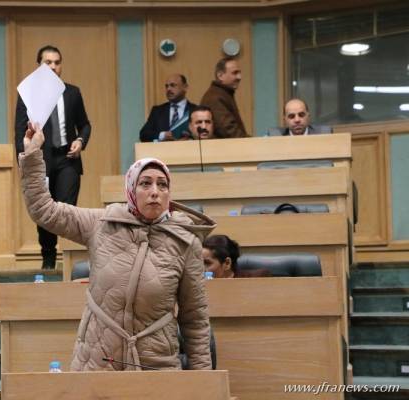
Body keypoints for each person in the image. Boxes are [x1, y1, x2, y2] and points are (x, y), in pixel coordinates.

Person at [19, 121, 215, 371]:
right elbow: (44, 210)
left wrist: (204, 383)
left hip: (156, 367)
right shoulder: (101, 223)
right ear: (131, 188)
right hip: (96, 363)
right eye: (145, 183)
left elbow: (195, 320)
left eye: (162, 185)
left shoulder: (185, 241)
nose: (155, 191)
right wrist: (33, 155)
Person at [15, 45, 91, 269]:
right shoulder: (28, 94)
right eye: (48, 62)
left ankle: (70, 260)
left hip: (68, 159)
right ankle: (48, 259)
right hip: (42, 160)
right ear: (39, 66)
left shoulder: (72, 92)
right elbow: (19, 130)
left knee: (67, 209)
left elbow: (85, 125)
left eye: (57, 62)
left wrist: (80, 141)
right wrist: (25, 161)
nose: (53, 66)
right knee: (44, 209)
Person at [199, 57, 248, 139]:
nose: (239, 77)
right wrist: (251, 142)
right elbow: (228, 130)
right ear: (220, 76)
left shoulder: (221, 94)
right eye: (235, 73)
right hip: (223, 146)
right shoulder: (215, 97)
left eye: (239, 73)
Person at [139, 74, 197, 142]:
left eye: (173, 85)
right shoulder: (157, 111)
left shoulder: (195, 110)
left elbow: (203, 134)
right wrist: (162, 135)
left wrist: (190, 138)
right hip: (163, 148)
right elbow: (144, 134)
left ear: (185, 87)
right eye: (166, 86)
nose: (168, 89)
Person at [202, 234, 271, 278]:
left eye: (207, 263)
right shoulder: (199, 286)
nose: (200, 268)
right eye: (199, 263)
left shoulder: (257, 278)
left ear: (227, 263)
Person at [267, 98, 333, 136]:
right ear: (285, 119)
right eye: (291, 116)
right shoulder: (276, 135)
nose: (297, 120)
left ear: (308, 116)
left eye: (301, 115)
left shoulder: (323, 133)